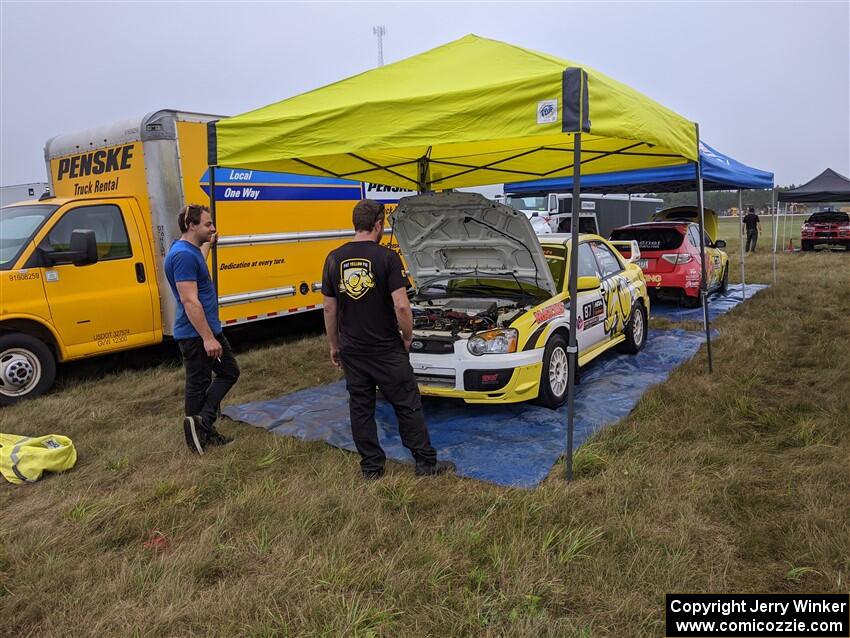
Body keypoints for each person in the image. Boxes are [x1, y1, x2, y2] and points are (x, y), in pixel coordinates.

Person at [322, 199, 455, 480]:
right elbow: (402, 306)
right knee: (407, 404)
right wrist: (408, 336)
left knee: (361, 408)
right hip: (385, 348)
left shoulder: (333, 258)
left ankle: (371, 468)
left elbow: (329, 308)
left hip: (353, 349)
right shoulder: (387, 258)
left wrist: (334, 345)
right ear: (379, 225)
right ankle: (425, 464)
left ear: (355, 224)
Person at [164, 204, 240, 455]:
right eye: (208, 224)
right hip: (198, 333)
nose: (213, 227)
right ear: (191, 225)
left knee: (208, 379)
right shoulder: (184, 255)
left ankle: (203, 428)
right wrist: (208, 338)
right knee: (217, 376)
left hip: (202, 330)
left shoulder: (189, 251)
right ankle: (202, 425)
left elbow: (198, 270)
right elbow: (189, 300)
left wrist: (209, 243)